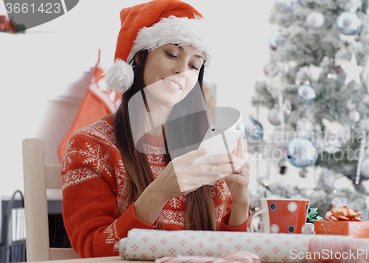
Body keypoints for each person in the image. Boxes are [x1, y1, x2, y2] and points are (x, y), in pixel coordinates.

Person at [61, 0, 251, 258]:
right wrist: (159, 192)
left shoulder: (204, 144)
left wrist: (240, 201)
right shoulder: (91, 145)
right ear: (139, 56)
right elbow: (93, 249)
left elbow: (229, 252)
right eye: (172, 54)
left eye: (195, 65)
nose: (182, 70)